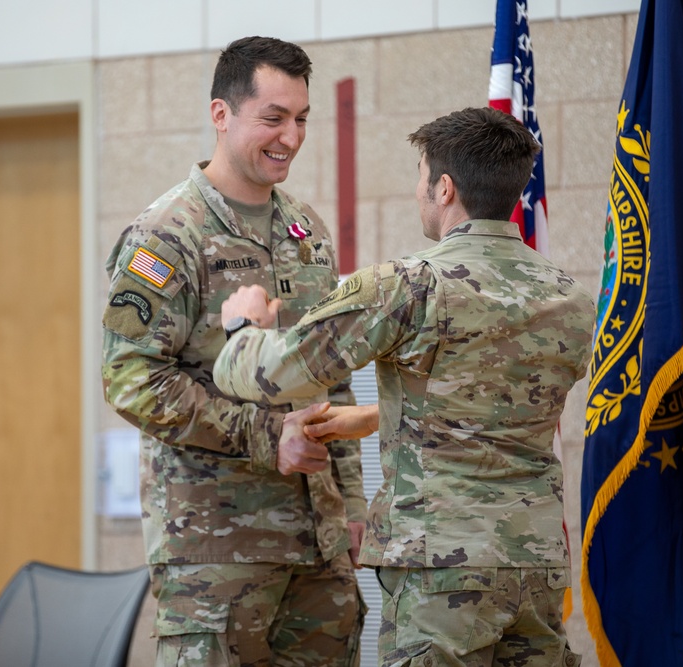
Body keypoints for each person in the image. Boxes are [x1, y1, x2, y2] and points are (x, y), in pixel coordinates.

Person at [212, 106, 595, 667]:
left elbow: (273, 374)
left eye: (421, 177)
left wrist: (244, 328)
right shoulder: (571, 298)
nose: (419, 190)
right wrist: (369, 418)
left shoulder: (409, 285)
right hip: (535, 563)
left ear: (444, 189)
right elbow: (492, 401)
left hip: (442, 567)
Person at [100, 35, 366, 667]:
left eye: (302, 118)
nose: (292, 137)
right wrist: (263, 434)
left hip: (318, 547)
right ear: (221, 114)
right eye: (273, 118)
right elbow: (131, 378)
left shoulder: (307, 234)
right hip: (215, 554)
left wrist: (353, 504)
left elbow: (334, 378)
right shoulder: (166, 235)